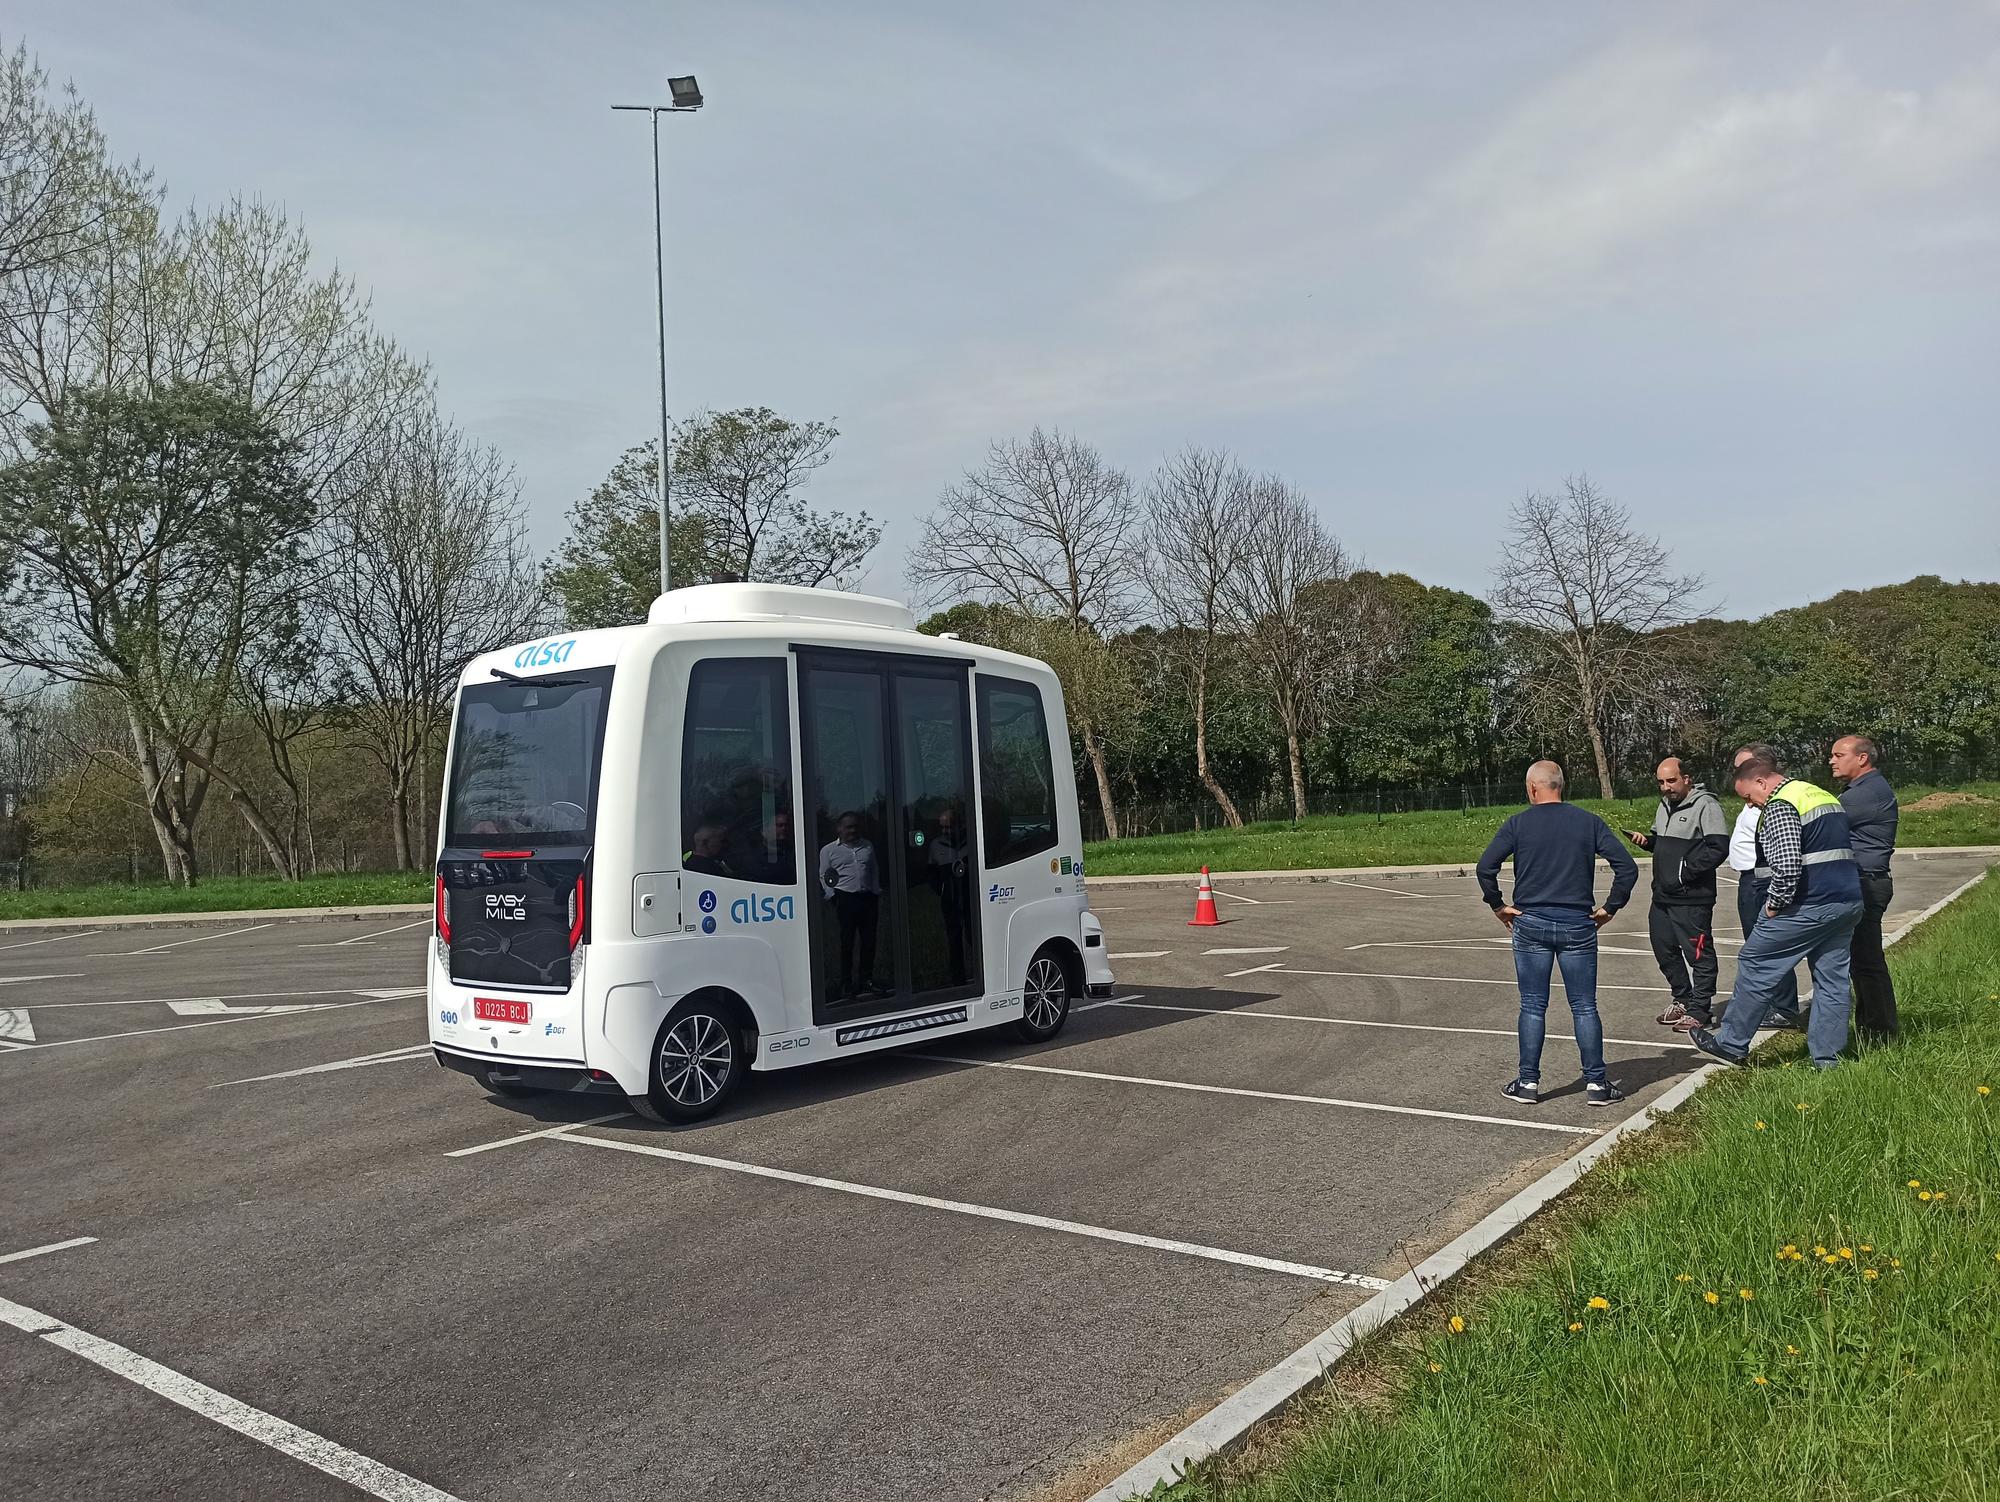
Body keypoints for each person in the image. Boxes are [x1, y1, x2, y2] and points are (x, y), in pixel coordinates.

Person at [1476, 760, 1639, 1107]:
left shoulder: (1518, 823)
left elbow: (1485, 867)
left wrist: (1497, 904)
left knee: (1533, 1005)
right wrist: (1610, 907)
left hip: (1531, 922)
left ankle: (1529, 1082)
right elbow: (1626, 867)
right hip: (1577, 923)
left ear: (1533, 788)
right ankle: (1596, 1083)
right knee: (1584, 1006)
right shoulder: (1588, 822)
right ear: (1560, 786)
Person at [1689, 752, 1863, 1070]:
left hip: (1808, 904)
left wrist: (1774, 905)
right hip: (1846, 901)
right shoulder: (1819, 794)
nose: (1753, 805)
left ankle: (1730, 1045)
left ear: (1761, 781)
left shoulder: (1781, 804)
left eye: (1750, 797)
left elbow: (1786, 865)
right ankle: (1828, 1059)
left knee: (1756, 963)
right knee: (1832, 980)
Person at [1624, 757, 1728, 1033]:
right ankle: (1683, 998)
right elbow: (1665, 843)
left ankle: (1700, 1010)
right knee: (1663, 948)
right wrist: (1649, 842)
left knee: (1698, 953)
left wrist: (1685, 872)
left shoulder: (1706, 805)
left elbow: (1718, 848)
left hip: (1692, 898)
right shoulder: (1664, 806)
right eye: (1661, 782)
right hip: (1663, 896)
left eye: (1671, 781)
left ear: (1687, 778)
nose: (1666, 787)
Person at [1727, 743, 1802, 1030]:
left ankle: (1783, 1008)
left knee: (1769, 947)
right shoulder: (1751, 802)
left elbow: (1785, 853)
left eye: (1743, 767)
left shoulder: (1775, 804)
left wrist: (1774, 897)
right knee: (1756, 946)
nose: (1738, 772)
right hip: (1749, 879)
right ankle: (1772, 1006)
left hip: (1765, 880)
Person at [1831, 734, 1899, 1042]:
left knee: (1867, 963)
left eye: (1838, 754)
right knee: (1863, 962)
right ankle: (1873, 1030)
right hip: (1863, 882)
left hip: (1866, 884)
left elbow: (1822, 822)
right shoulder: (1863, 789)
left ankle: (1879, 1034)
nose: (1831, 760)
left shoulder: (1865, 793)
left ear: (1862, 758)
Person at [819, 811, 882, 1000]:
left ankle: (866, 981)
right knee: (847, 943)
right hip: (845, 898)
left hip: (867, 898)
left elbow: (874, 869)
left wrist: (876, 890)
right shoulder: (828, 850)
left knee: (869, 941)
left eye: (855, 826)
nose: (852, 830)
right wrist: (832, 896)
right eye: (848, 827)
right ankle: (846, 984)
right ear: (839, 828)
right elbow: (823, 875)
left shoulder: (867, 846)